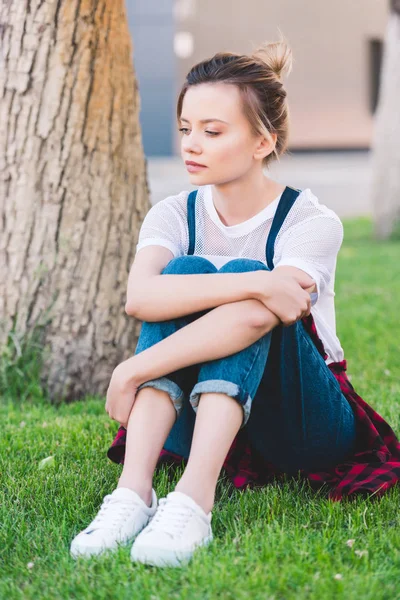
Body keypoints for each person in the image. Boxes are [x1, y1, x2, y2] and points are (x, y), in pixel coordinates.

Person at [70, 36, 400, 567]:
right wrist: (258, 284)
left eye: (213, 131)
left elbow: (263, 312)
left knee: (246, 277)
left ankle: (194, 502)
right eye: (186, 129)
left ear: (262, 142)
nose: (191, 145)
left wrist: (134, 368)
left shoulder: (309, 222)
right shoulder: (174, 215)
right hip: (195, 413)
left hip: (300, 421)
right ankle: (134, 493)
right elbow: (142, 296)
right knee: (189, 271)